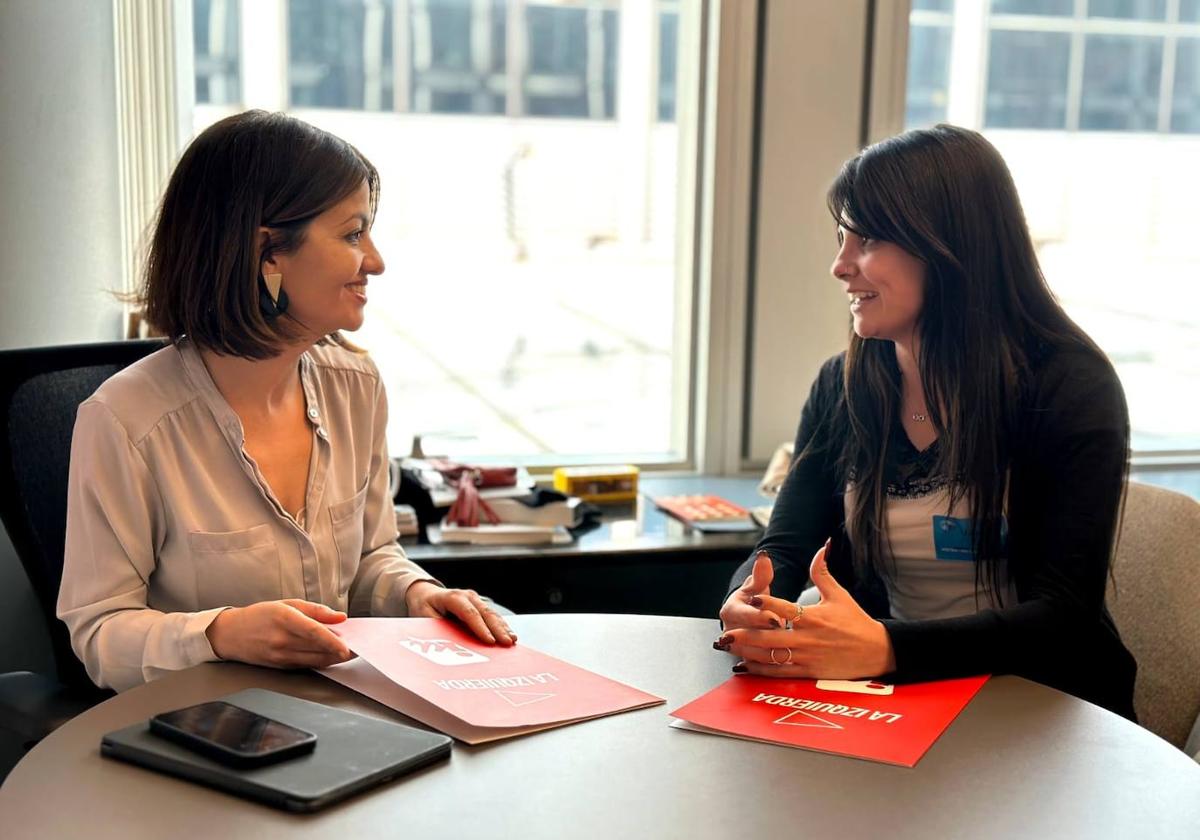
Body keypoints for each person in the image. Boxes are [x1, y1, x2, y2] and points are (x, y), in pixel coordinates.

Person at [58, 110, 515, 692]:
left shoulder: (357, 386)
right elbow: (99, 636)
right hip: (200, 729)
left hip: (338, 716)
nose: (374, 261)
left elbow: (372, 556)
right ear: (269, 252)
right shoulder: (124, 421)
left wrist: (418, 593)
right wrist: (221, 634)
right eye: (353, 234)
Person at [716, 125, 1136, 718]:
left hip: (1047, 707)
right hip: (898, 696)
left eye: (867, 240)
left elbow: (1064, 616)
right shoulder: (844, 385)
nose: (840, 266)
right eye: (842, 237)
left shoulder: (1070, 387)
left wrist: (884, 647)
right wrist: (748, 599)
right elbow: (783, 548)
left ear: (946, 246)